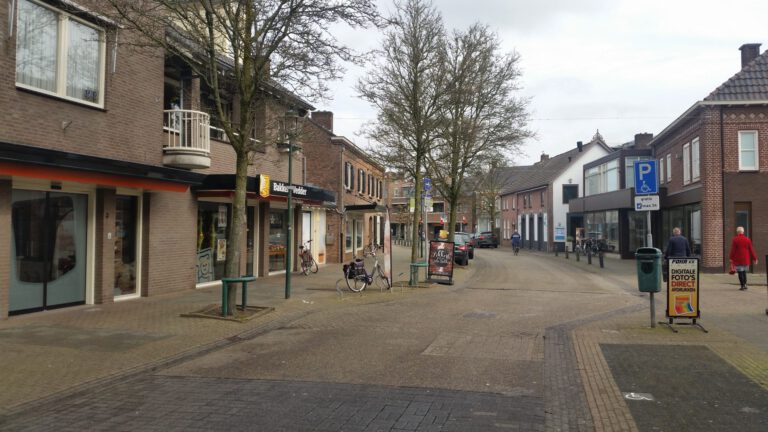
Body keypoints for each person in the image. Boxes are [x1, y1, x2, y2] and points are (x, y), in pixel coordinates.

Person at [729, 226, 758, 290]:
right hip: (746, 260)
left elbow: (733, 250)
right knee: (744, 272)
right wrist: (755, 258)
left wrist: (731, 258)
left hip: (738, 260)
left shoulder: (735, 239)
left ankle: (742, 286)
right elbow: (751, 250)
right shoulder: (748, 239)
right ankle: (745, 284)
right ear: (743, 232)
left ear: (737, 232)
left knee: (740, 272)